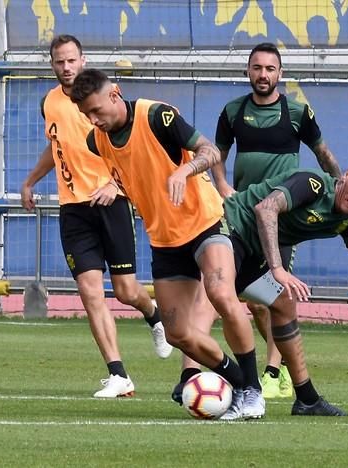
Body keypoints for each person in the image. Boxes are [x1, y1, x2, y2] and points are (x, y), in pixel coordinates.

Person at [70, 68, 265, 420]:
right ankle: (238, 383)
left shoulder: (157, 115)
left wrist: (184, 171)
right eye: (87, 115)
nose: (94, 120)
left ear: (115, 92)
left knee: (222, 294)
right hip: (164, 241)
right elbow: (134, 174)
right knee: (177, 334)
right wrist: (117, 187)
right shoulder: (95, 141)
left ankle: (253, 390)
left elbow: (210, 151)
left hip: (206, 223)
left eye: (97, 110)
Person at [20, 35, 173, 399]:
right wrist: (30, 180)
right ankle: (118, 374)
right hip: (73, 210)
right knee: (90, 292)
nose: (66, 67)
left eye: (72, 60)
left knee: (125, 291)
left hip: (111, 203)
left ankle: (153, 315)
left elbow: (133, 147)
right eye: (59, 62)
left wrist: (118, 188)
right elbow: (57, 146)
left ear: (83, 59)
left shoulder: (104, 97)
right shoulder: (50, 102)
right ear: (52, 64)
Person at [223, 156, 348, 415]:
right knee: (207, 306)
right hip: (227, 229)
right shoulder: (313, 184)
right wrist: (277, 269)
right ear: (347, 175)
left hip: (250, 253)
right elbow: (266, 209)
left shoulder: (346, 219)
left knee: (283, 302)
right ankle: (229, 383)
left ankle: (307, 399)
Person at [211, 41, 342, 400]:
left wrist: (339, 185)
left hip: (278, 218)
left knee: (274, 295)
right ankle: (275, 369)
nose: (263, 74)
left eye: (270, 68)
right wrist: (222, 186)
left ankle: (274, 372)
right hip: (240, 215)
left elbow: (323, 154)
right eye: (257, 68)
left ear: (280, 74)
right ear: (248, 72)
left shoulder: (298, 113)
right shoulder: (233, 111)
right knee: (252, 298)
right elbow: (216, 156)